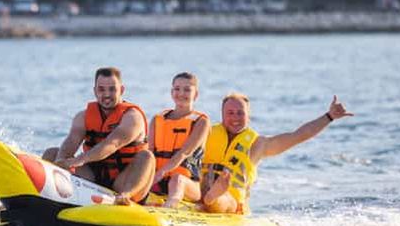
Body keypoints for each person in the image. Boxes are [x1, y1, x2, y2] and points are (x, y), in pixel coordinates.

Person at [201, 93, 353, 214]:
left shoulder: (259, 144)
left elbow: (299, 135)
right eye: (230, 113)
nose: (235, 117)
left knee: (220, 199)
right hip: (199, 192)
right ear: (222, 114)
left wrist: (329, 116)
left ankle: (213, 196)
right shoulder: (206, 133)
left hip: (231, 204)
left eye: (240, 113)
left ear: (249, 116)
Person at [43, 67, 155, 204]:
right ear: (95, 91)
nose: (107, 94)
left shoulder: (132, 117)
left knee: (147, 157)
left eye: (112, 89)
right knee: (52, 154)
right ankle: (46, 198)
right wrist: (60, 161)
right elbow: (71, 141)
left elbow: (112, 144)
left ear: (122, 90)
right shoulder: (83, 117)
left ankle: (125, 198)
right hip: (94, 180)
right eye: (101, 89)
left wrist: (79, 160)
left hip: (124, 181)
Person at [147, 72, 210, 208]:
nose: (181, 93)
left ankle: (169, 207)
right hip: (157, 181)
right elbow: (150, 152)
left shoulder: (201, 122)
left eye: (187, 90)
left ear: (196, 94)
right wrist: (146, 177)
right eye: (177, 89)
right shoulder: (157, 119)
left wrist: (161, 173)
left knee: (177, 180)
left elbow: (185, 152)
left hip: (187, 184)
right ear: (171, 92)